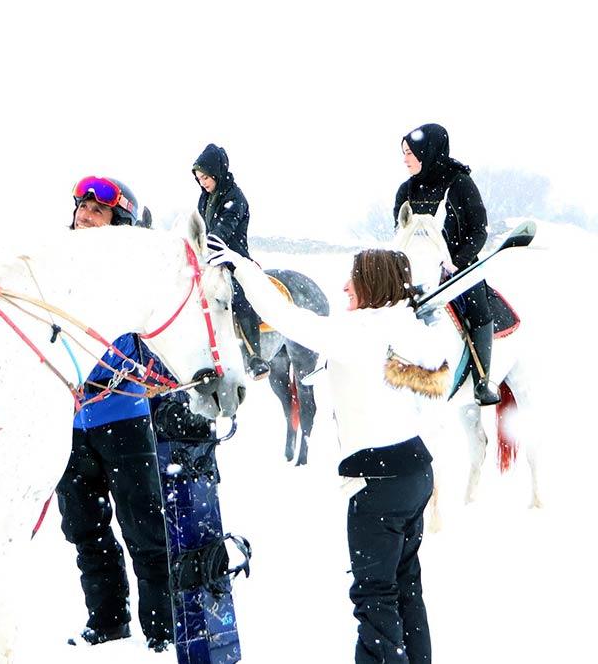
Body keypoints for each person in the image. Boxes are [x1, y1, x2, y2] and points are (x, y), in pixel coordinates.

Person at [208, 239, 448, 664]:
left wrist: (244, 268)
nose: (342, 288)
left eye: (352, 280)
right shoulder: (407, 327)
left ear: (372, 285)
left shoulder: (360, 332)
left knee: (375, 597)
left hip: (377, 483)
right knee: (405, 585)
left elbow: (284, 315)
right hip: (413, 471)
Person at [57, 175, 174, 652]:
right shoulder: (55, 266)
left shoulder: (137, 277)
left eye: (98, 210)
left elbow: (161, 344)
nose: (85, 215)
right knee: (86, 530)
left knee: (145, 530)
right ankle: (106, 624)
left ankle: (162, 633)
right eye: (82, 208)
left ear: (120, 222)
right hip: (70, 426)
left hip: (124, 420)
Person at [394, 123, 499, 405]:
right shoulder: (405, 190)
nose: (404, 159)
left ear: (425, 152)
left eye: (409, 153)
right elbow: (400, 232)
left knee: (480, 311)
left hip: (458, 269)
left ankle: (482, 381)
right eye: (403, 153)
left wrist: (458, 263)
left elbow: (479, 230)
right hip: (414, 271)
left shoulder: (460, 183)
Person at [192, 143, 269, 380]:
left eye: (205, 177)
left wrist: (209, 245)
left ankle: (255, 356)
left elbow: (222, 230)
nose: (203, 182)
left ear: (217, 172)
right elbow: (202, 230)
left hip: (235, 260)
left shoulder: (235, 198)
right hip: (211, 260)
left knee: (239, 295)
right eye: (199, 178)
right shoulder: (203, 200)